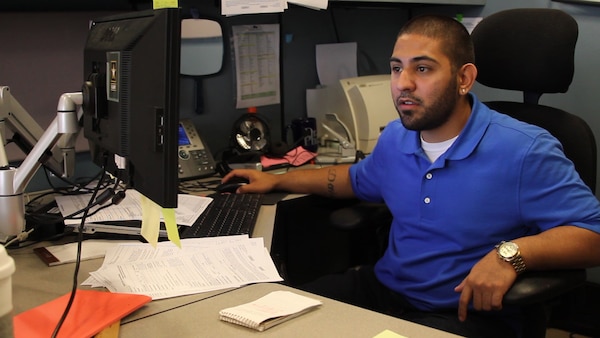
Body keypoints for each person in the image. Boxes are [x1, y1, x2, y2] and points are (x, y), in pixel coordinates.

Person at [221, 14, 600, 337]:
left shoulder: (525, 149)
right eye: (396, 68)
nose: (403, 83)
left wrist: (509, 256)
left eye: (422, 68)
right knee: (274, 321)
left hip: (468, 312)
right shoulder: (398, 138)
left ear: (464, 78)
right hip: (385, 290)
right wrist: (278, 179)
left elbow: (593, 236)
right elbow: (353, 179)